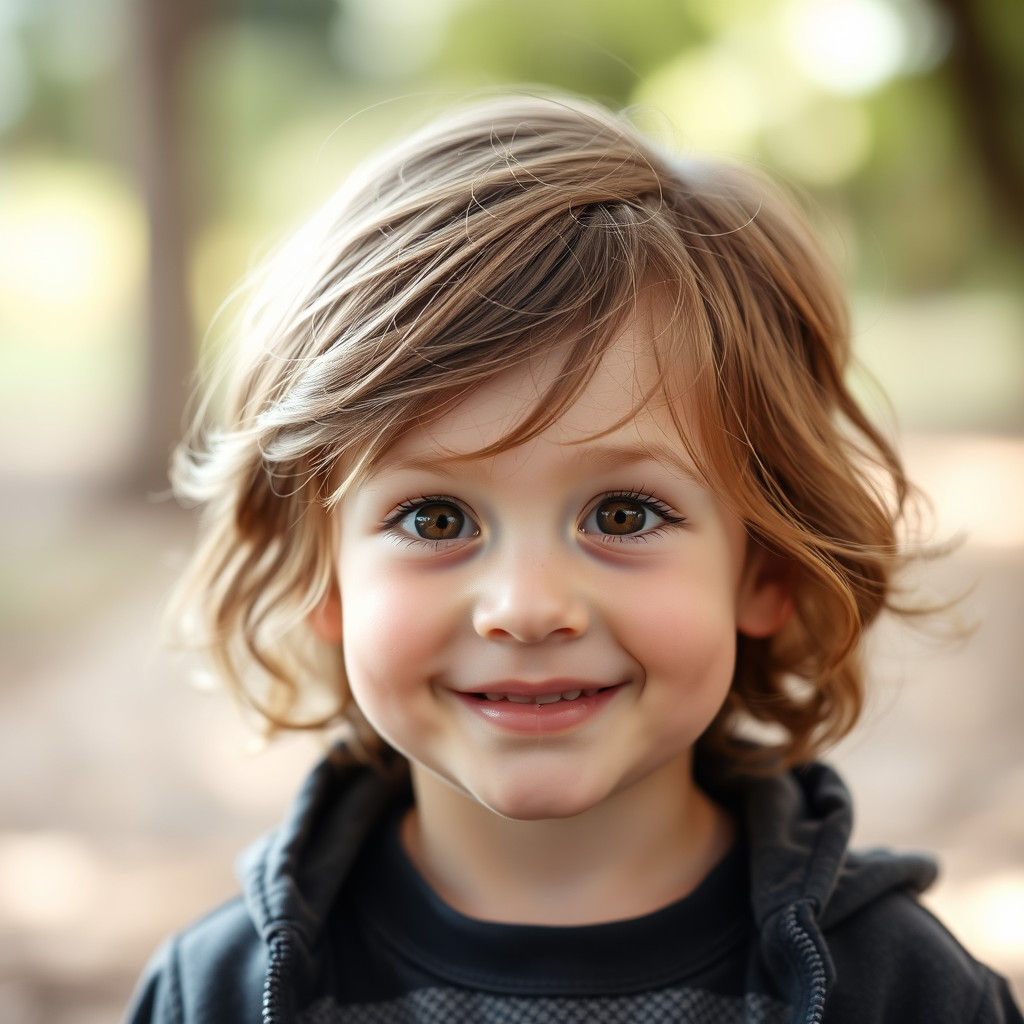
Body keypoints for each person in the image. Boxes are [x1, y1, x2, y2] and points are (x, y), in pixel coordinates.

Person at [124, 93, 1022, 1024]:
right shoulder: (217, 994)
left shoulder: (905, 994)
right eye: (435, 520)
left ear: (766, 569)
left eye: (624, 514)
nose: (526, 605)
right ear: (323, 576)